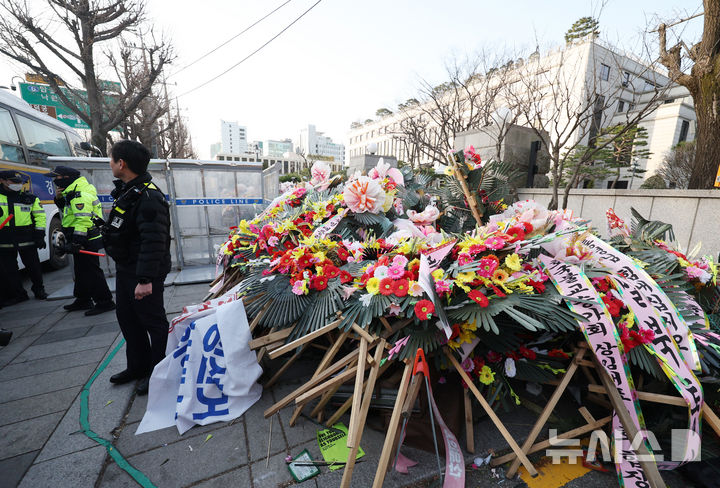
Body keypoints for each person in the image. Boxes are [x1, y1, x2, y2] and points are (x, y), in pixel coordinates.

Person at [102, 140, 171, 396]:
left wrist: (145, 279)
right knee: (129, 320)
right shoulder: (129, 191)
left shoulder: (149, 196)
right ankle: (138, 366)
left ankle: (159, 372)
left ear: (122, 163)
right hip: (127, 268)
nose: (110, 164)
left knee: (153, 322)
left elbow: (154, 241)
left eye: (112, 159)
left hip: (144, 273)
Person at [43, 166, 115, 316]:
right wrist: (59, 199)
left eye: (57, 178)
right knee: (81, 271)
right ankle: (83, 299)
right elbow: (68, 211)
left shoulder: (79, 194)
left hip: (86, 238)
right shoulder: (72, 191)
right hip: (80, 237)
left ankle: (105, 301)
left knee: (91, 271)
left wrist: (77, 242)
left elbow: (83, 220)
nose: (55, 181)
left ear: (67, 177)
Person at [0, 170, 48, 305]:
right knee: (9, 270)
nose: (18, 184)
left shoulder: (30, 198)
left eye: (19, 182)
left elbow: (40, 217)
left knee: (34, 267)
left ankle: (39, 290)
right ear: (2, 181)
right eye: (13, 182)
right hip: (4, 240)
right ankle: (18, 294)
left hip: (27, 238)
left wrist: (40, 235)